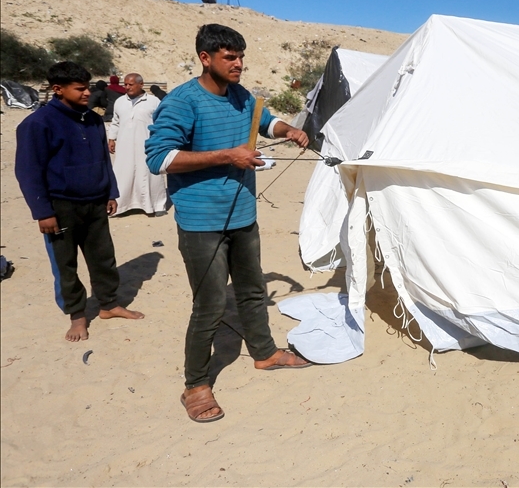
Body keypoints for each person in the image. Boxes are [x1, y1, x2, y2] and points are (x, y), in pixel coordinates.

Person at [145, 23, 311, 423]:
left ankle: (265, 353)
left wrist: (287, 129)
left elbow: (264, 121)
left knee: (252, 291)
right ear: (206, 58)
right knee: (210, 303)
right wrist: (226, 156)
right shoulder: (183, 102)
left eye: (240, 57)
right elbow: (159, 159)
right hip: (202, 221)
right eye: (229, 57)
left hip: (243, 216)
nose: (238, 64)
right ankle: (196, 385)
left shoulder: (242, 97)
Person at [14, 62, 145, 342]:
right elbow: (28, 171)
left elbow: (102, 160)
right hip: (61, 207)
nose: (87, 93)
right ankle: (77, 315)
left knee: (103, 258)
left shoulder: (93, 119)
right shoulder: (38, 124)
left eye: (88, 87)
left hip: (96, 202)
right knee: (66, 263)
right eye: (80, 88)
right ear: (58, 89)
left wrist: (110, 192)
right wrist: (42, 212)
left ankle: (109, 305)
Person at [108, 73, 168, 216]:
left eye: (130, 84)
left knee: (149, 173)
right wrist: (112, 138)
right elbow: (115, 122)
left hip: (147, 145)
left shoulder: (154, 101)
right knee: (123, 173)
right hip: (124, 145)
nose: (127, 87)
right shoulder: (120, 102)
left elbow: (161, 123)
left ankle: (156, 205)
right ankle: (122, 206)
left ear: (141, 84)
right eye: (125, 84)